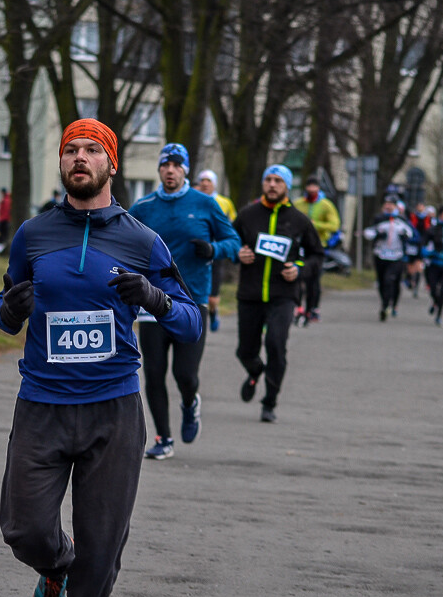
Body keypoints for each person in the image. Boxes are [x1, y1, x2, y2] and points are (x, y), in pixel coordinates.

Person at [0, 119, 200, 597]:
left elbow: (190, 321)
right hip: (42, 404)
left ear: (111, 164)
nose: (79, 158)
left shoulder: (143, 241)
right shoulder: (33, 235)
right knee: (25, 530)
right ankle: (56, 568)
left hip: (113, 411)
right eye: (70, 150)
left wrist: (153, 299)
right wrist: (11, 308)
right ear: (61, 162)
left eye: (91, 150)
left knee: (103, 550)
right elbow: (2, 311)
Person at [129, 145, 239, 459]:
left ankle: (190, 403)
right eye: (165, 165)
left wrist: (213, 250)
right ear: (159, 170)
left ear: (185, 170)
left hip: (193, 302)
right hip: (152, 301)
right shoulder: (144, 206)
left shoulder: (206, 204)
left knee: (184, 374)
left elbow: (233, 242)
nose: (170, 170)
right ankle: (164, 438)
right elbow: (121, 239)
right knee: (154, 372)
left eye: (177, 165)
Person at [232, 164, 323, 423]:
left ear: (286, 186)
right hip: (249, 294)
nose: (272, 185)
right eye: (268, 180)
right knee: (245, 351)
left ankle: (269, 401)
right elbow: (229, 242)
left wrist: (299, 268)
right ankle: (255, 370)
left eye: (278, 181)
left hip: (283, 295)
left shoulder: (299, 220)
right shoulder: (248, 215)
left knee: (276, 345)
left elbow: (317, 255)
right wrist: (237, 254)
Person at [292, 176, 341, 325]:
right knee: (298, 277)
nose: (311, 189)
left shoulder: (326, 205)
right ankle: (298, 308)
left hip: (318, 247)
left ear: (319, 188)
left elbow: (334, 225)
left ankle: (312, 309)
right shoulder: (298, 203)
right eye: (309, 186)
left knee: (314, 280)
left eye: (314, 187)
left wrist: (315, 224)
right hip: (299, 246)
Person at [196, 169, 237, 332]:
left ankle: (213, 312)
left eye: (209, 181)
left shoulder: (224, 202)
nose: (205, 183)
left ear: (214, 184)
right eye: (203, 180)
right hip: (197, 252)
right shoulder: (194, 200)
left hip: (216, 251)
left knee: (212, 298)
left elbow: (232, 223)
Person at [363, 195, 414, 321]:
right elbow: (368, 232)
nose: (388, 206)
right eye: (386, 203)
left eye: (391, 204)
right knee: (381, 282)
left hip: (397, 256)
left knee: (390, 280)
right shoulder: (379, 218)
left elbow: (411, 233)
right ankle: (385, 303)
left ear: (396, 206)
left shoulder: (402, 219)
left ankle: (389, 305)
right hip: (380, 255)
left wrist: (405, 236)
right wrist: (377, 235)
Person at [404, 200, 433, 297]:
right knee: (410, 267)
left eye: (422, 205)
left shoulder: (428, 218)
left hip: (422, 244)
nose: (420, 207)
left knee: (419, 267)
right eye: (419, 205)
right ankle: (409, 279)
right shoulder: (412, 217)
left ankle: (415, 286)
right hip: (412, 244)